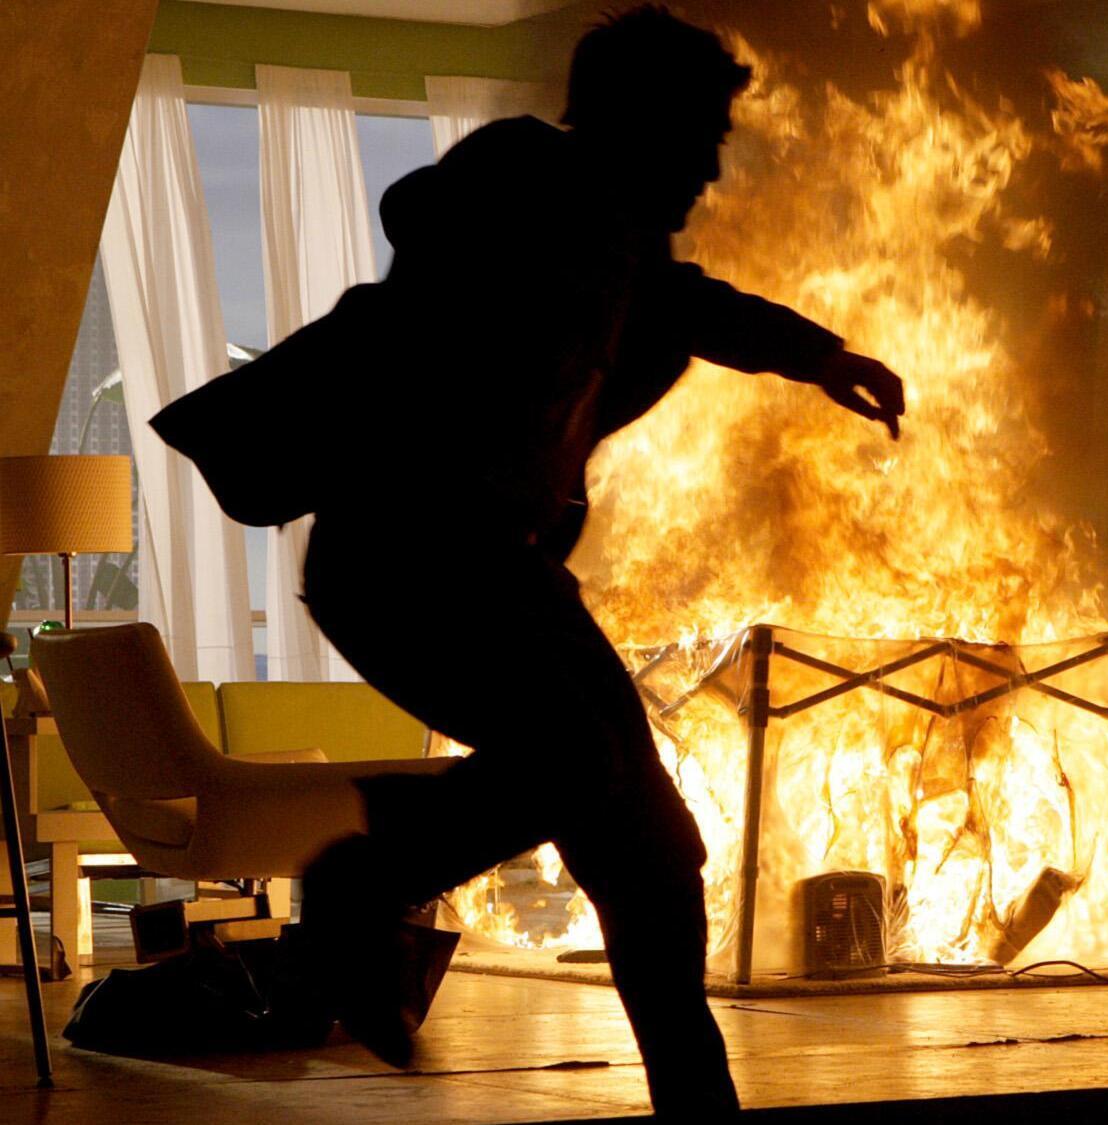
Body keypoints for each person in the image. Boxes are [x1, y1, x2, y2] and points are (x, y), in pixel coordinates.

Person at [152, 7, 903, 1116]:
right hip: (404, 554)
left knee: (652, 849)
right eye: (700, 138)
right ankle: (361, 888)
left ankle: (696, 1099)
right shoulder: (525, 187)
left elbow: (689, 305)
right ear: (637, 124)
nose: (709, 170)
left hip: (498, 563)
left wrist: (818, 355)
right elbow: (441, 234)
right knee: (575, 762)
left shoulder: (621, 250)